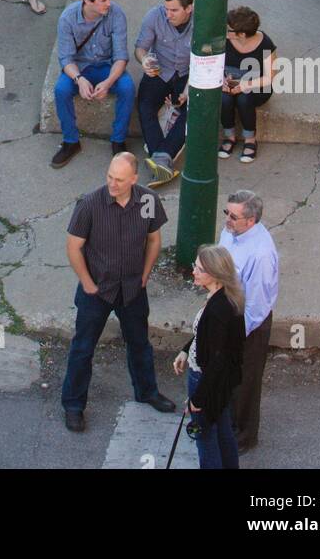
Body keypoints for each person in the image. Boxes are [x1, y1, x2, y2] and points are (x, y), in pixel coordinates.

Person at [61, 152, 175, 432]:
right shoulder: (90, 204)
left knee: (139, 343)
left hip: (133, 288)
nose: (112, 183)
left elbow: (154, 239)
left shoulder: (147, 200)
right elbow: (73, 247)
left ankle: (147, 391)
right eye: (110, 177)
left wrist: (146, 274)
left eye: (120, 180)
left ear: (134, 180)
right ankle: (73, 405)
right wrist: (87, 282)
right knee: (83, 348)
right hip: (98, 289)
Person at [173, 245, 245, 469]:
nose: (194, 271)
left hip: (204, 381)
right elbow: (206, 338)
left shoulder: (216, 311)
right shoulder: (224, 299)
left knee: (204, 438)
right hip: (221, 384)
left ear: (215, 275)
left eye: (199, 268)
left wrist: (197, 399)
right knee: (223, 432)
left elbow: (215, 361)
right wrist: (186, 349)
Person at [52, 0, 136, 165]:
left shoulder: (116, 14)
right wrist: (79, 79)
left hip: (107, 66)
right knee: (61, 90)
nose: (109, 3)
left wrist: (108, 82)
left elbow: (121, 56)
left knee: (127, 87)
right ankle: (71, 141)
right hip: (80, 67)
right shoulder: (67, 18)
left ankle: (118, 140)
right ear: (87, 1)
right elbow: (66, 58)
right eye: (103, 0)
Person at [219, 191, 279, 452]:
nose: (227, 219)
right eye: (226, 212)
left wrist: (235, 334)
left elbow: (257, 305)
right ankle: (225, 423)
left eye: (233, 216)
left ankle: (244, 436)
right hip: (227, 310)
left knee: (245, 382)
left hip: (248, 323)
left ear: (251, 221)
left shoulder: (261, 254)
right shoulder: (230, 232)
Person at [135, 0, 194, 186]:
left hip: (189, 75)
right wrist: (144, 61)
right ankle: (162, 158)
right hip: (160, 71)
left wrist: (188, 90)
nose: (168, 14)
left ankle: (161, 156)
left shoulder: (202, 23)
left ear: (189, 8)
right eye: (166, 9)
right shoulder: (154, 15)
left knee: (193, 111)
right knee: (144, 104)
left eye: (174, 10)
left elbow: (205, 64)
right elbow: (140, 48)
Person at [219, 8, 277, 163]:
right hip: (230, 82)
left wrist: (245, 84)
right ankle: (229, 136)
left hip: (257, 85)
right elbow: (214, 64)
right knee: (225, 99)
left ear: (242, 34)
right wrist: (221, 80)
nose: (226, 31)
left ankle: (250, 139)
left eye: (229, 30)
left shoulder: (265, 44)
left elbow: (269, 77)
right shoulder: (225, 40)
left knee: (244, 99)